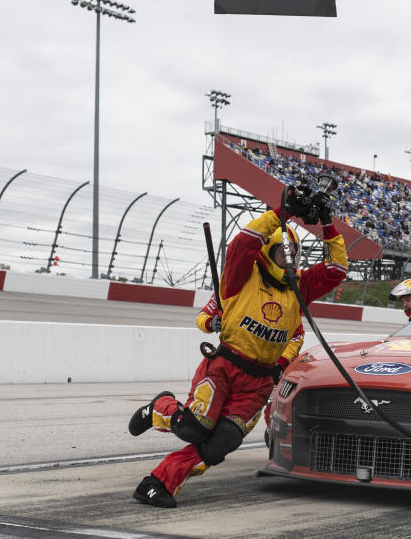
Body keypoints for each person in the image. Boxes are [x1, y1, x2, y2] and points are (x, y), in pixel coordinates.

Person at [127, 188, 347, 508]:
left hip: (258, 383)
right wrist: (280, 213)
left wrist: (328, 225)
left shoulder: (300, 285)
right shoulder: (241, 274)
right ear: (267, 254)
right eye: (282, 254)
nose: (289, 261)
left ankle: (158, 481)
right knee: (194, 427)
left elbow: (338, 269)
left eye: (294, 256)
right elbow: (244, 242)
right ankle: (160, 407)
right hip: (225, 368)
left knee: (221, 443)